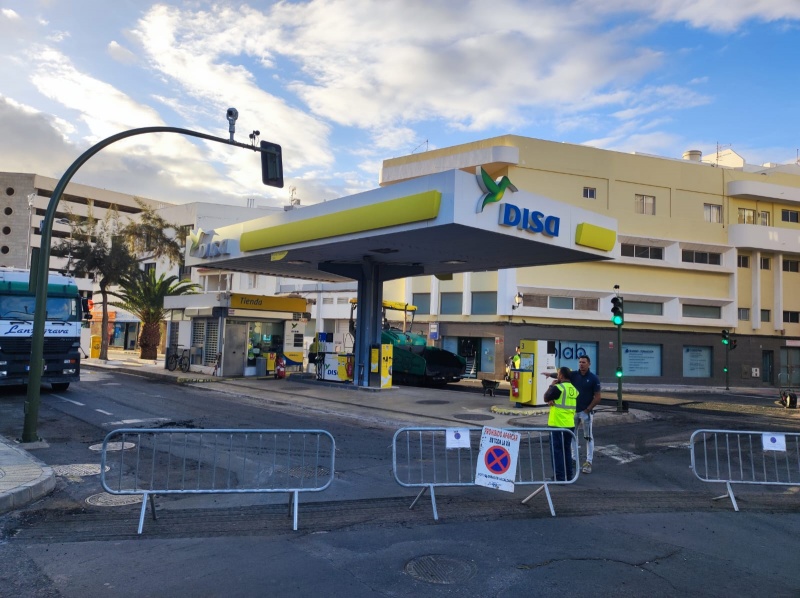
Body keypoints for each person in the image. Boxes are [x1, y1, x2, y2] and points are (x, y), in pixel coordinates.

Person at [542, 355, 602, 474]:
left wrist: (588, 409)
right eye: (580, 362)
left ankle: (588, 461)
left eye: (583, 362)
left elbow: (598, 397)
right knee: (573, 436)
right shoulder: (574, 375)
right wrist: (550, 374)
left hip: (585, 412)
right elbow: (562, 375)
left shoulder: (594, 378)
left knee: (588, 437)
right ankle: (573, 459)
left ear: (589, 364)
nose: (581, 364)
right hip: (573, 412)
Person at [543, 366, 578, 481]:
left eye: (558, 374)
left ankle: (559, 477)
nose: (557, 376)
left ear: (561, 376)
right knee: (566, 450)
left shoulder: (558, 388)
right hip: (570, 424)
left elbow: (546, 397)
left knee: (557, 451)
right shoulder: (573, 389)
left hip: (557, 423)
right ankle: (569, 475)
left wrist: (551, 386)